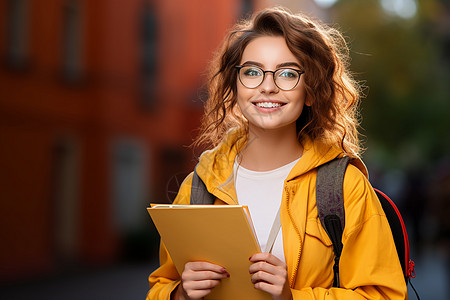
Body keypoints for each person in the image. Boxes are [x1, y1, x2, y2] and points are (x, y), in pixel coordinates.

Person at [147, 6, 407, 300]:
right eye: (252, 72)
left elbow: (385, 295)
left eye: (286, 73)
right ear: (235, 86)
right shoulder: (198, 187)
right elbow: (159, 286)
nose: (267, 86)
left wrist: (292, 297)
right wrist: (179, 294)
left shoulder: (345, 188)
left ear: (310, 91)